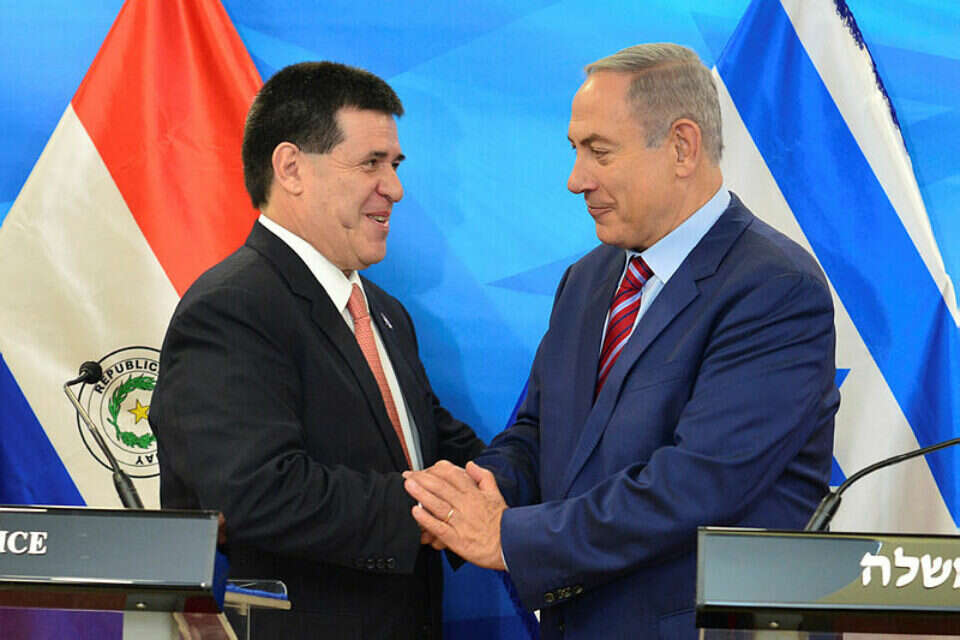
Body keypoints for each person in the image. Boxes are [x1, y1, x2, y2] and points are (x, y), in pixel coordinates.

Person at [403, 43, 840, 639]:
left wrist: (506, 537)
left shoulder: (775, 287)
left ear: (682, 147)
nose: (576, 179)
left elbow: (696, 483)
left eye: (599, 151)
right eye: (575, 150)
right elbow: (538, 431)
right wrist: (473, 493)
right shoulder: (587, 279)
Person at [149, 61, 485, 640]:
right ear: (291, 168)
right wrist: (433, 509)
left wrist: (507, 483)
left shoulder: (384, 312)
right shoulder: (231, 307)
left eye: (395, 164)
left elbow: (431, 440)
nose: (395, 189)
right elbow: (260, 491)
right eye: (371, 163)